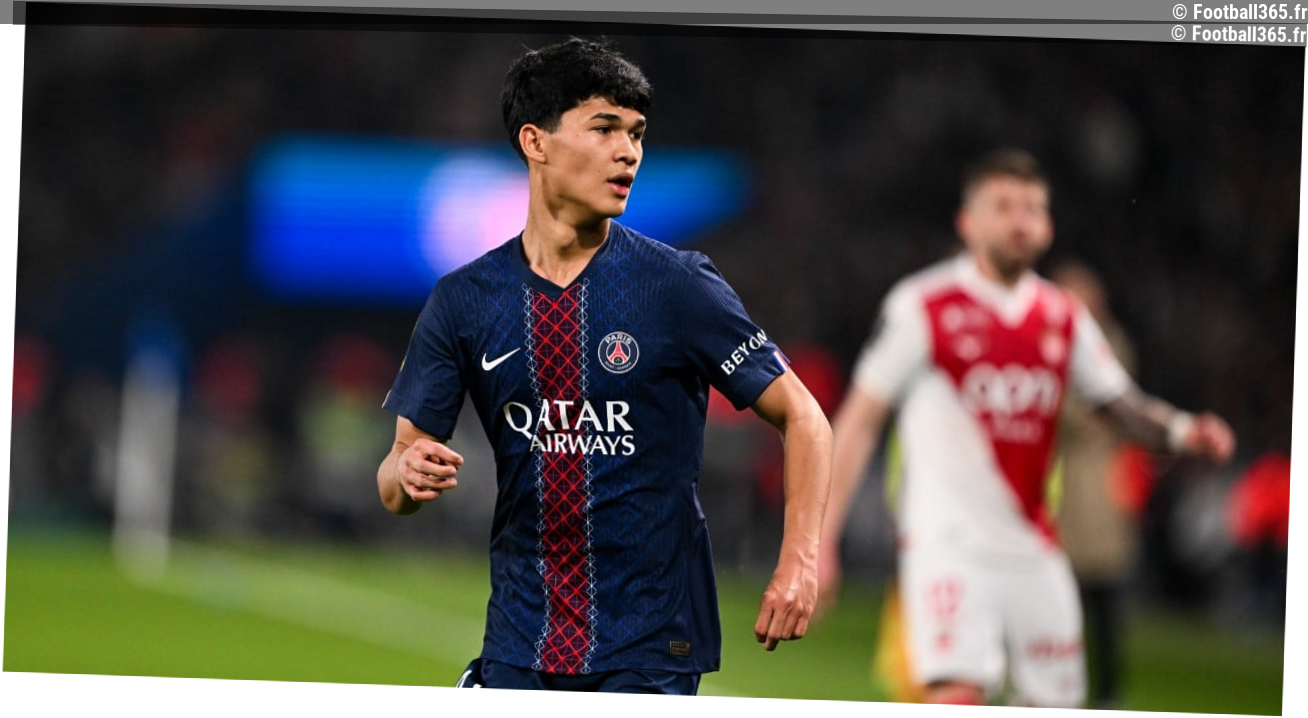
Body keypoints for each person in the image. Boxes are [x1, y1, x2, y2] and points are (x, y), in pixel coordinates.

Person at [376, 37, 831, 695]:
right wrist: (406, 472)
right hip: (520, 639)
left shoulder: (677, 286)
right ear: (536, 142)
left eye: (637, 133)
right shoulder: (464, 300)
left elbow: (805, 418)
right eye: (605, 128)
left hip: (649, 648)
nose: (629, 152)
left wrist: (800, 563)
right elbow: (395, 478)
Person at [816, 148, 1235, 708]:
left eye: (1032, 209)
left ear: (1048, 227)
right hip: (947, 543)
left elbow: (1121, 406)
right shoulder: (923, 305)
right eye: (1003, 207)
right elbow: (859, 419)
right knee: (958, 692)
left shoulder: (1063, 316)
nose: (1020, 220)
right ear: (968, 222)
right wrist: (821, 540)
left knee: (1054, 699)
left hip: (1034, 546)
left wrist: (1184, 432)